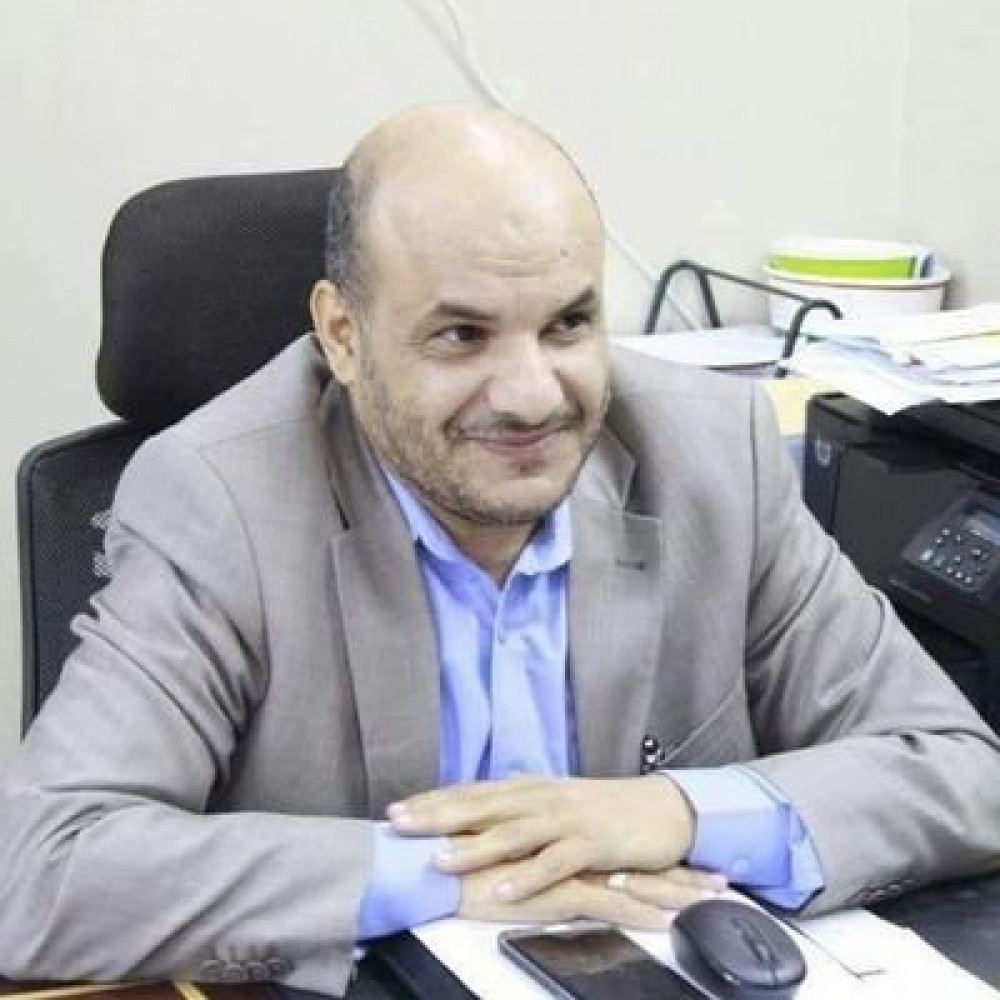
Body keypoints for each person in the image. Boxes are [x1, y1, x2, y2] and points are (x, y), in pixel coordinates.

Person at [1, 103, 999, 997]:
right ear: (342, 335)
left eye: (569, 323)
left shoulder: (713, 453)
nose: (531, 395)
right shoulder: (220, 500)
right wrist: (450, 871)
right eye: (460, 336)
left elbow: (959, 769)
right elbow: (41, 870)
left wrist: (675, 812)